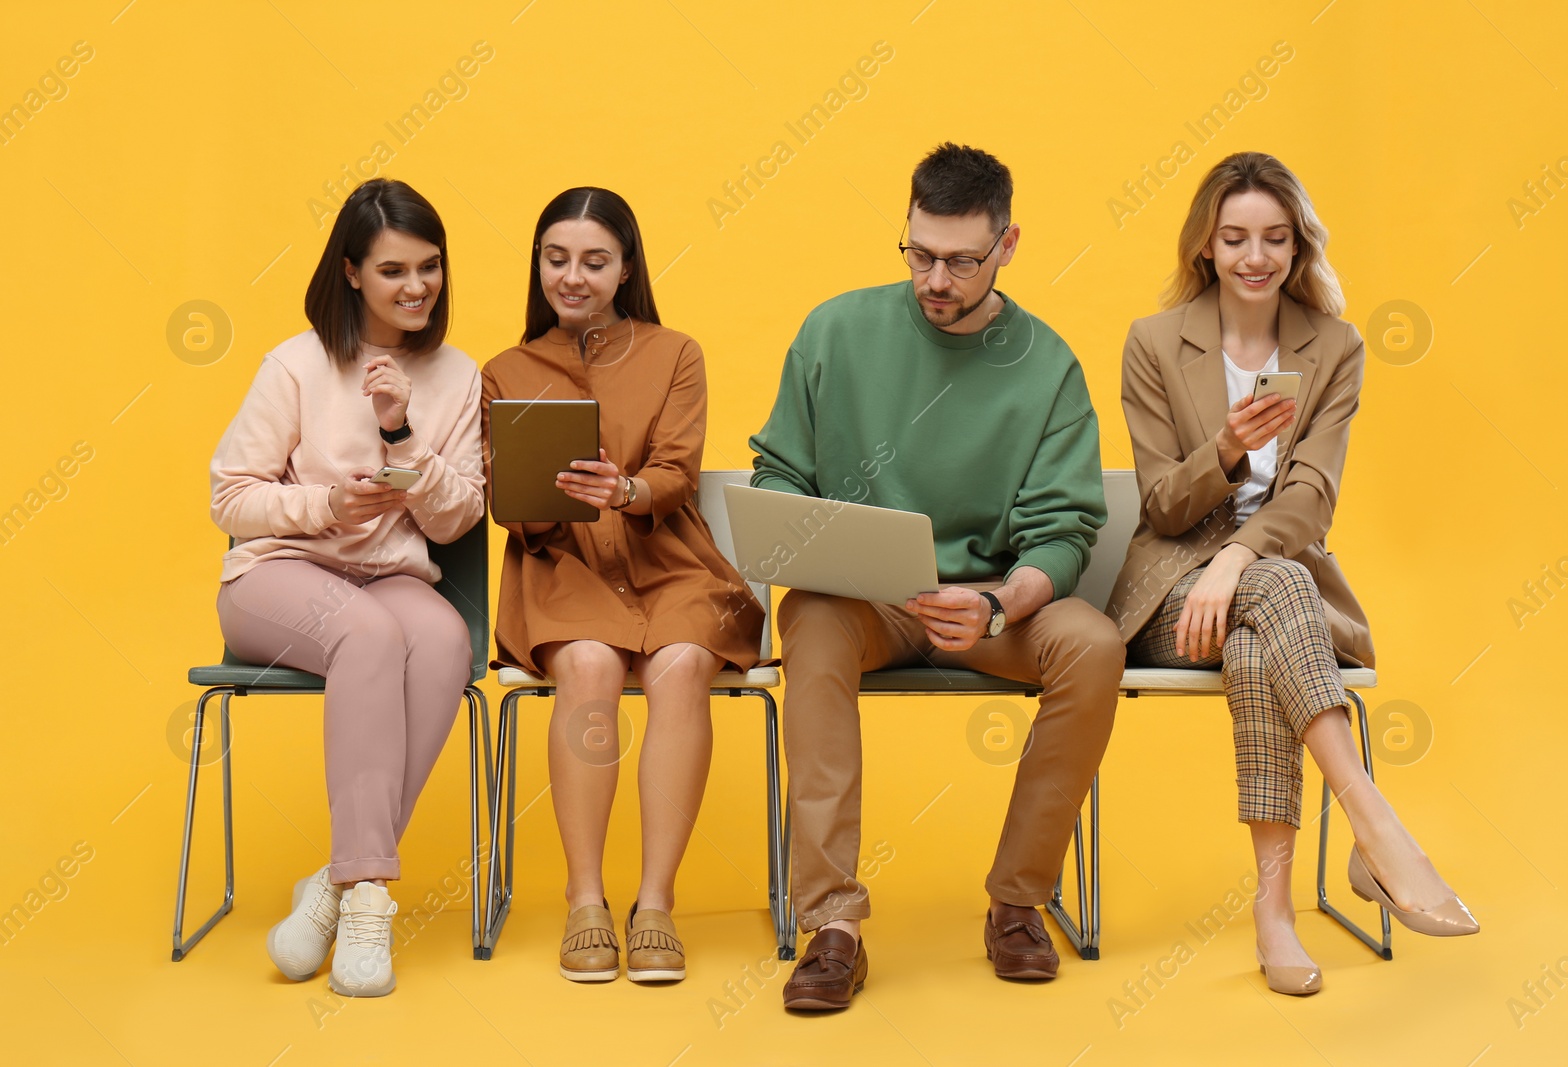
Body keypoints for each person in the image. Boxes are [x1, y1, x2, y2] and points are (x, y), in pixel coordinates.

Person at [749, 143, 1124, 1011]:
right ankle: (832, 926)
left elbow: (1064, 532)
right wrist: (825, 541)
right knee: (807, 617)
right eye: (920, 254)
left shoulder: (1049, 365)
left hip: (990, 606)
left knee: (1094, 645)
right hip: (863, 600)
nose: (936, 279)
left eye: (961, 260)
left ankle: (1018, 902)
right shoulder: (835, 331)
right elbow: (777, 474)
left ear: (1008, 243)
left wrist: (998, 602)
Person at [1106, 151, 1478, 997]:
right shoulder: (1155, 342)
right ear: (1206, 244)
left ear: (1299, 244)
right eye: (1234, 237)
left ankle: (1274, 914)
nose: (1255, 257)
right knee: (1279, 594)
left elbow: (1314, 495)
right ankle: (1377, 828)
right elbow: (1163, 504)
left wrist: (1237, 556)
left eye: (1275, 237)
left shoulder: (1335, 346)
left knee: (1261, 634)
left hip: (1273, 595)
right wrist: (1230, 446)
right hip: (1173, 596)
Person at [209, 178, 485, 997]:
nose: (417, 288)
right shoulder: (295, 365)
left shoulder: (456, 374)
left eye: (429, 268)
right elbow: (231, 498)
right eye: (395, 270)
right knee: (366, 632)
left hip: (389, 575)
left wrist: (403, 431)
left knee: (442, 638)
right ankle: (370, 901)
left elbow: (458, 518)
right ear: (352, 272)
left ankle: (338, 881)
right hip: (277, 574)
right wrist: (324, 504)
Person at [481, 187, 763, 984]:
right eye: (556, 258)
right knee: (590, 668)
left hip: (668, 558)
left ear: (626, 267)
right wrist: (537, 499)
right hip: (561, 563)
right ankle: (585, 903)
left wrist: (629, 491)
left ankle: (656, 905)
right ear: (537, 264)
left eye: (594, 261)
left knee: (678, 669)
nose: (573, 276)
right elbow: (506, 504)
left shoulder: (676, 353)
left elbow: (677, 471)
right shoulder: (504, 370)